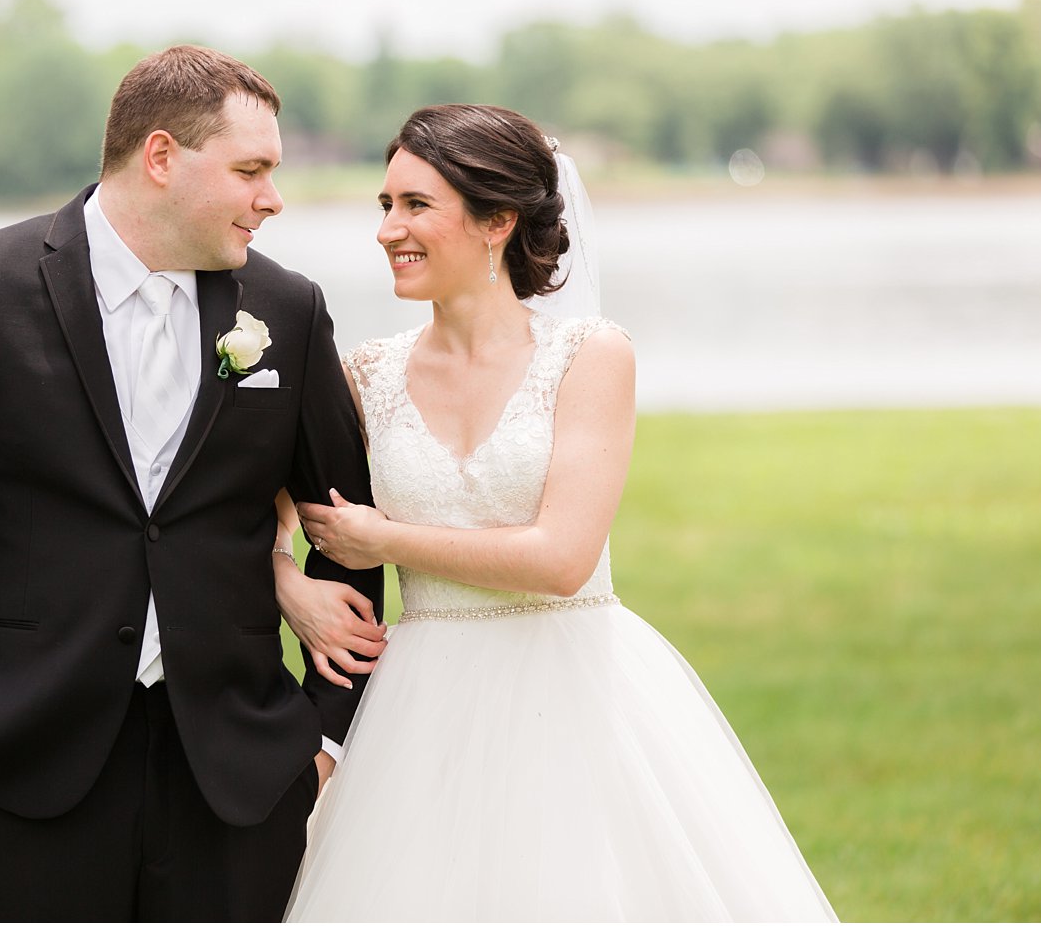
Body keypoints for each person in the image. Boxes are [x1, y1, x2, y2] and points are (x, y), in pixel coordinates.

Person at [277, 104, 838, 921]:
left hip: (577, 691)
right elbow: (257, 512)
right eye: (385, 205)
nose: (388, 228)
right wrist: (287, 584)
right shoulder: (366, 374)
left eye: (416, 205)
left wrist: (384, 539)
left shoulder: (590, 356)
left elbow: (561, 556)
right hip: (420, 711)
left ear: (497, 220)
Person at [0, 45, 384, 922]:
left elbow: (346, 529)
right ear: (160, 158)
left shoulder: (288, 310)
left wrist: (321, 740)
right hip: (25, 764)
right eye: (251, 169)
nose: (273, 197)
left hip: (240, 776)